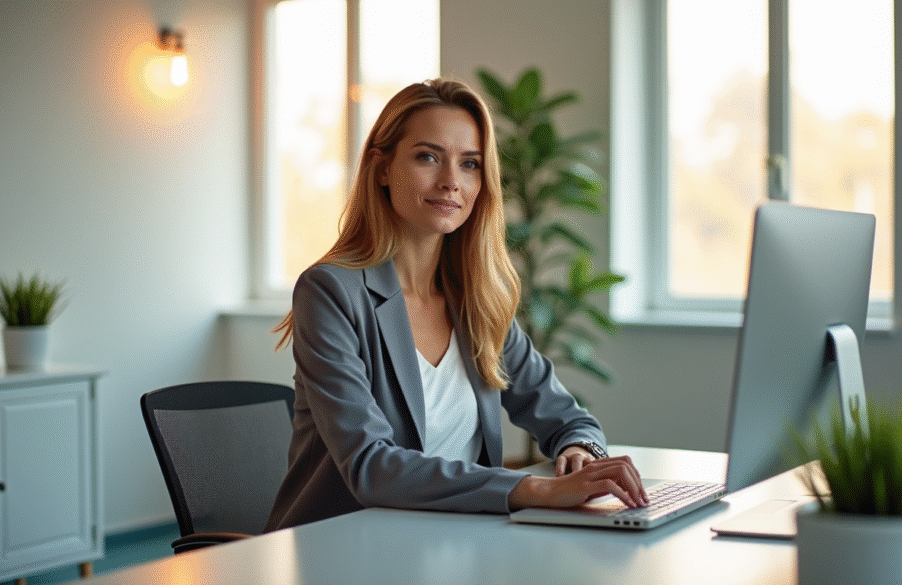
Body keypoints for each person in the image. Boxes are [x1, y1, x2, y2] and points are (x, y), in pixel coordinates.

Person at [264, 78, 646, 531]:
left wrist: (581, 453)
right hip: (344, 546)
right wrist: (532, 490)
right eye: (428, 157)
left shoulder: (475, 297)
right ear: (382, 167)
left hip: (455, 541)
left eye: (470, 165)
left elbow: (564, 415)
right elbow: (370, 465)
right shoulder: (331, 292)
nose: (451, 182)